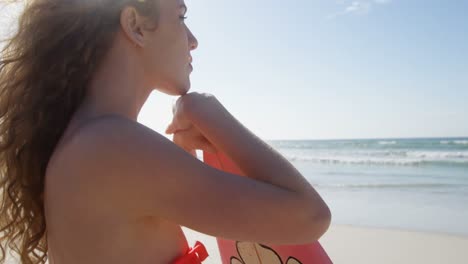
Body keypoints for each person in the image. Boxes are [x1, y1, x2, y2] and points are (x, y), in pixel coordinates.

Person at [0, 0, 332, 263]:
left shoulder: (86, 143)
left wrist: (182, 154)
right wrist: (208, 111)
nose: (193, 41)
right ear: (135, 26)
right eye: (181, 15)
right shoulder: (111, 147)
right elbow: (310, 217)